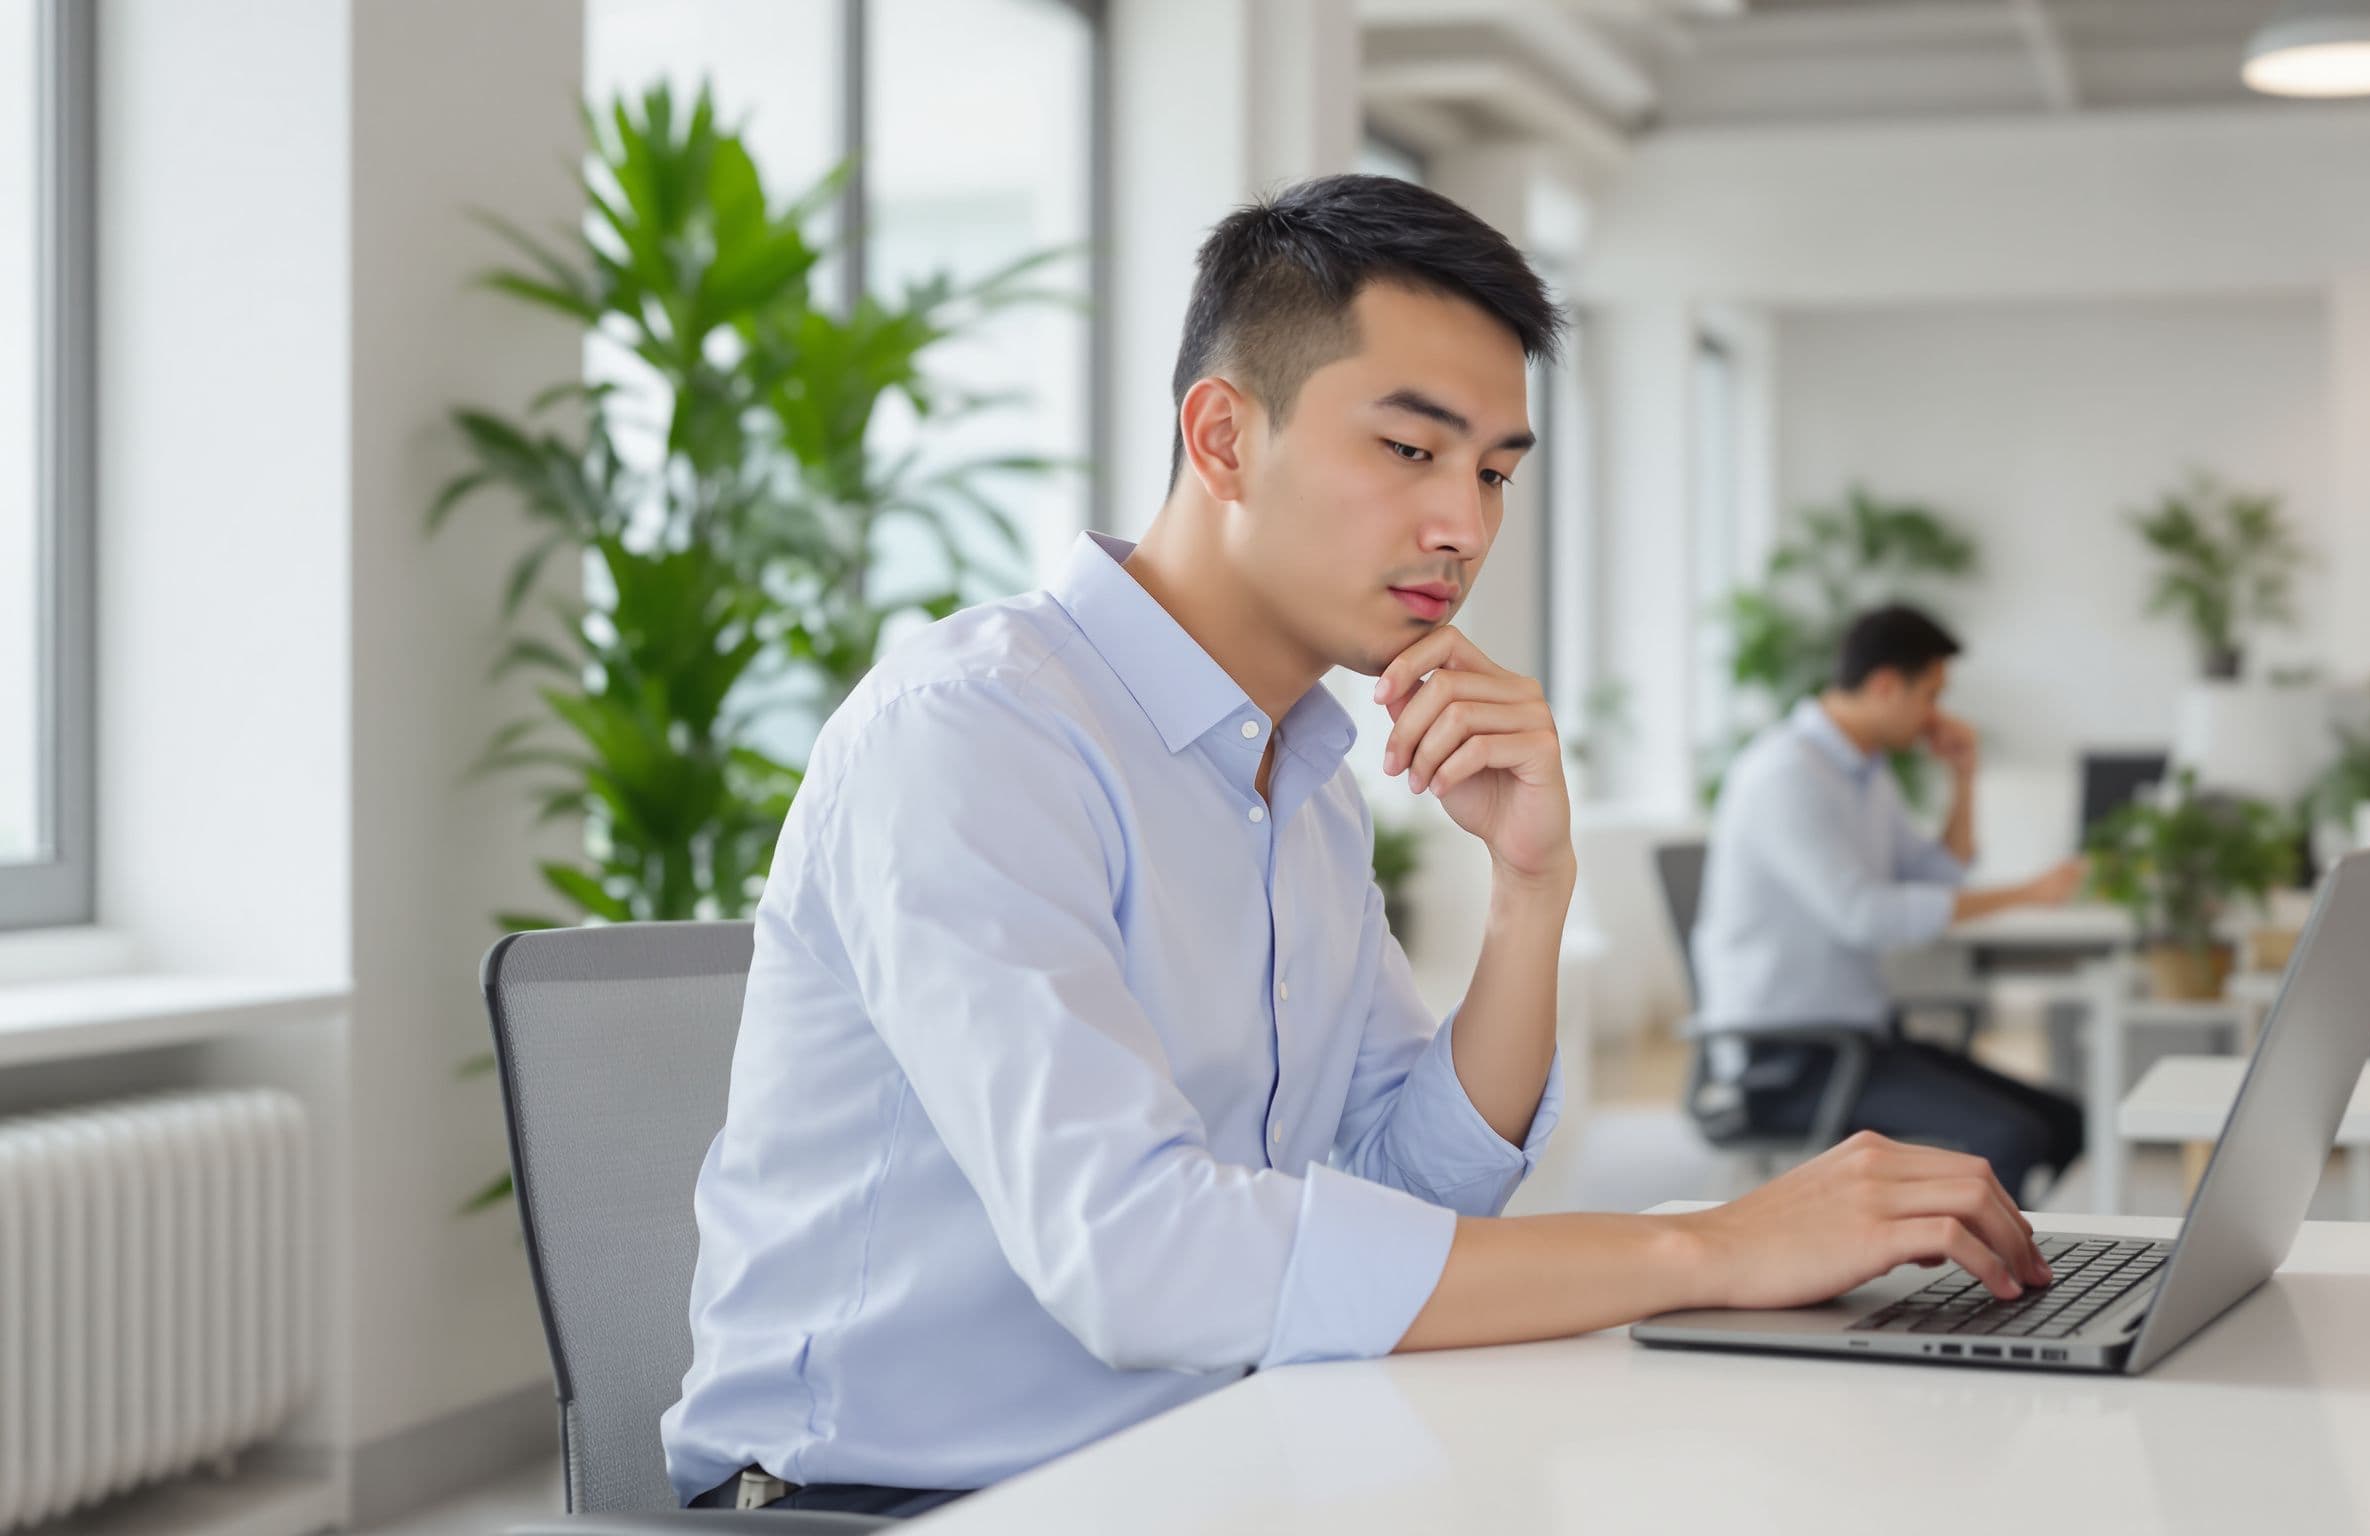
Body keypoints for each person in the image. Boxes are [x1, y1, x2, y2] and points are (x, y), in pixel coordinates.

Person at [663, 176, 2052, 1520]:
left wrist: (1529, 893)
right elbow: (1139, 1260)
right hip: (887, 1500)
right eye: (1409, 450)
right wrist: (1708, 1248)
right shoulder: (976, 737)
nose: (1465, 526)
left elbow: (1405, 1183)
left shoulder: (1304, 771)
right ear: (1222, 440)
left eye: (1495, 470)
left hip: (1216, 1447)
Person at [1692, 604, 2089, 1198]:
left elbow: (1935, 875)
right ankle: (1981, 1284)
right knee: (2011, 1138)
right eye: (1930, 694)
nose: (1937, 715)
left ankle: (2006, 1257)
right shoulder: (1784, 776)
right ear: (1884, 686)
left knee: (2065, 1122)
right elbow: (1866, 917)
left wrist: (1965, 777)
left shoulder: (1863, 774)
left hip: (1861, 1041)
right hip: (1793, 1061)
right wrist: (2027, 895)